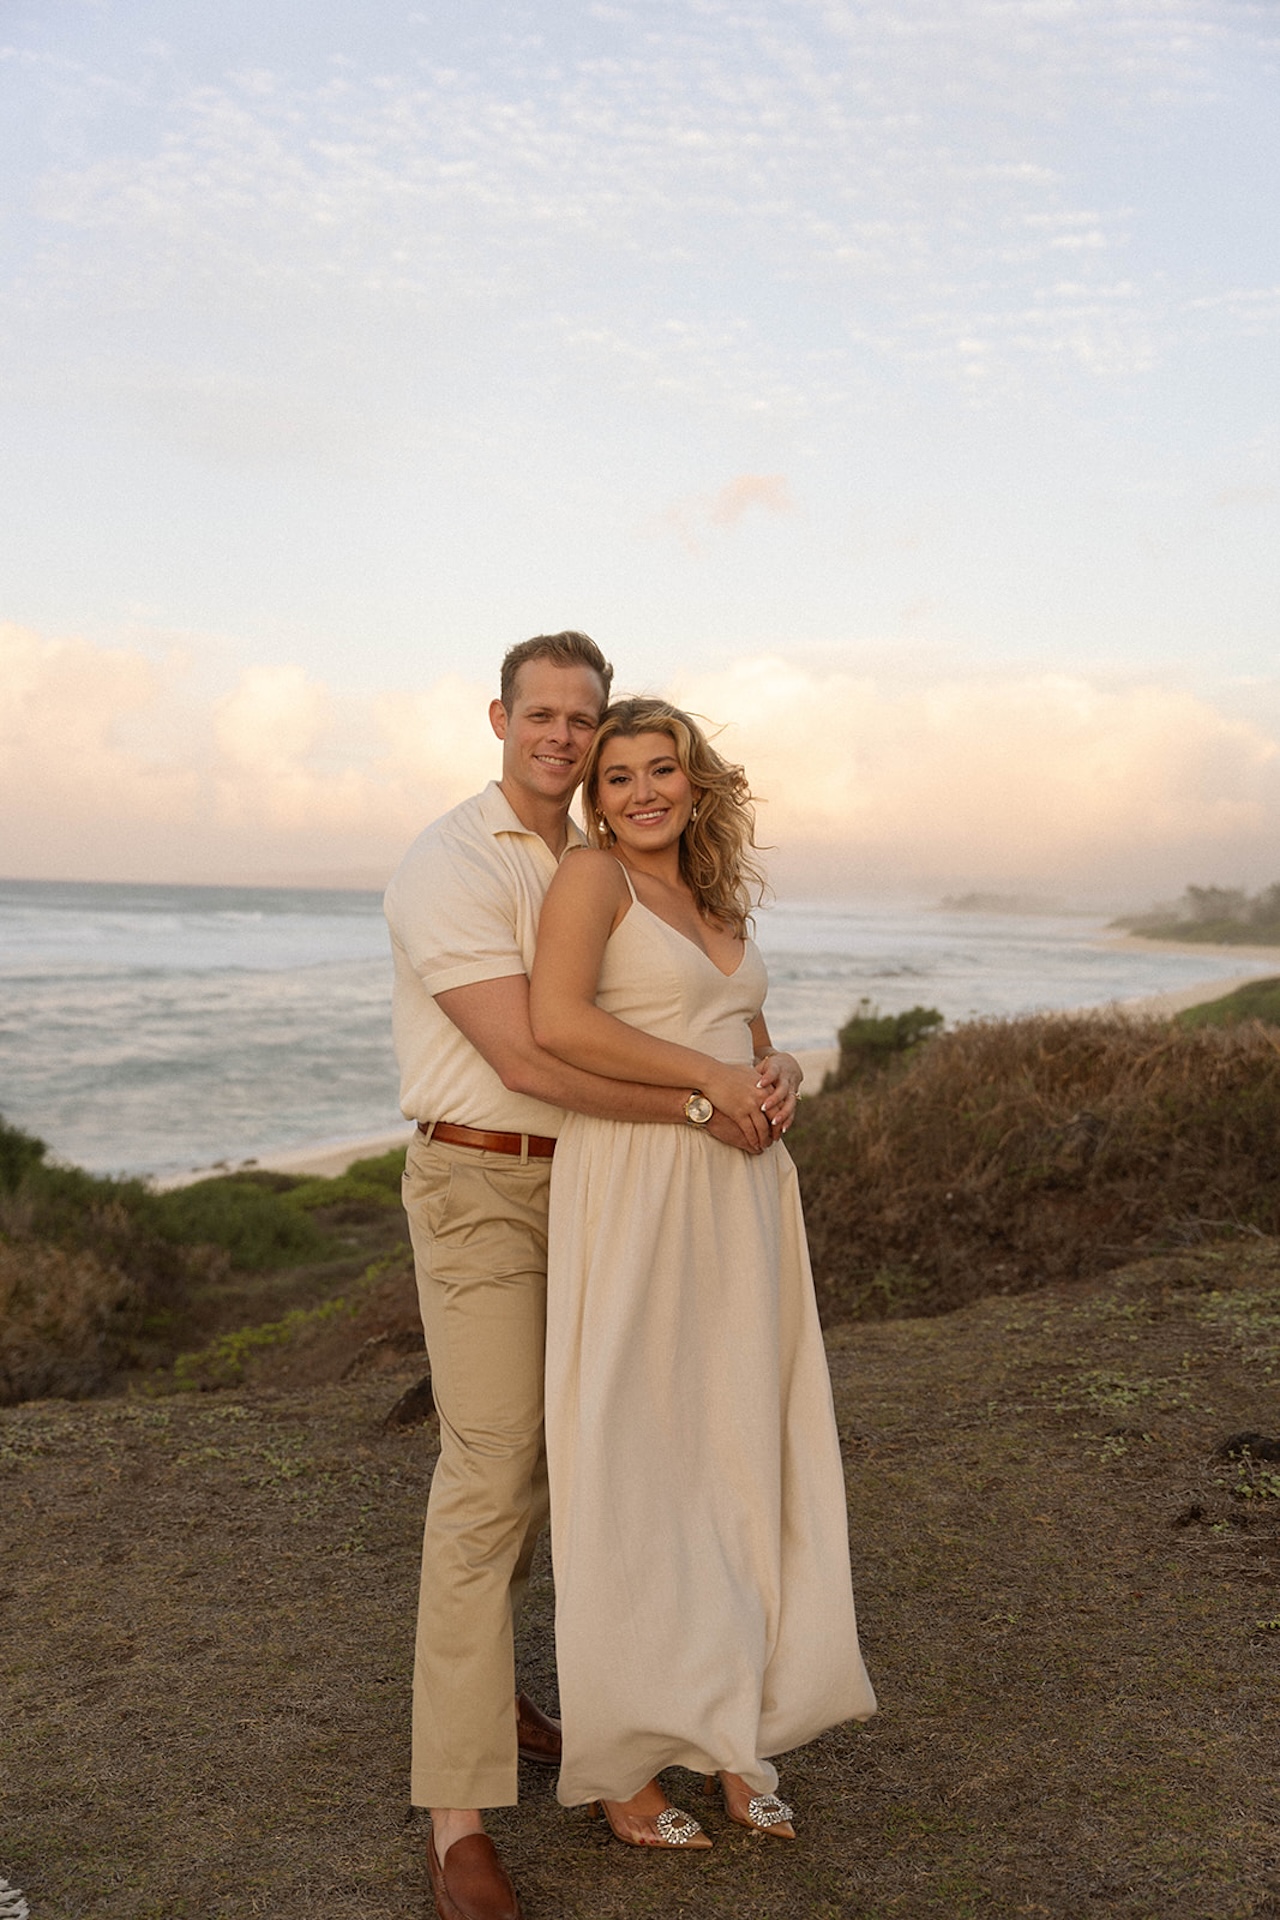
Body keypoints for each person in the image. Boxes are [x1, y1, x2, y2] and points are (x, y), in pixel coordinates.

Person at [384, 637, 796, 1920]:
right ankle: (456, 1816)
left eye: (584, 719)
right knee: (495, 1462)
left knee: (606, 1458)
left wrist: (763, 1077)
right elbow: (529, 1055)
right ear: (498, 717)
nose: (562, 738)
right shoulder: (447, 863)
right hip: (487, 1184)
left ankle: (538, 1689)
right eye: (542, 716)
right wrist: (705, 1096)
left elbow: (703, 1014)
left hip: (615, 1192)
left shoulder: (613, 860)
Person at [529, 695, 877, 1850]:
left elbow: (750, 1031)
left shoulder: (712, 893)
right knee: (638, 1461)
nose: (639, 791)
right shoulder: (592, 881)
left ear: (694, 780)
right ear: (594, 795)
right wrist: (708, 1087)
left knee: (738, 1454)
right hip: (639, 1186)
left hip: (742, 1197)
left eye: (659, 769)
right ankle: (626, 1764)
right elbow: (557, 1024)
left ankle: (738, 1736)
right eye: (616, 774)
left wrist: (774, 1071)